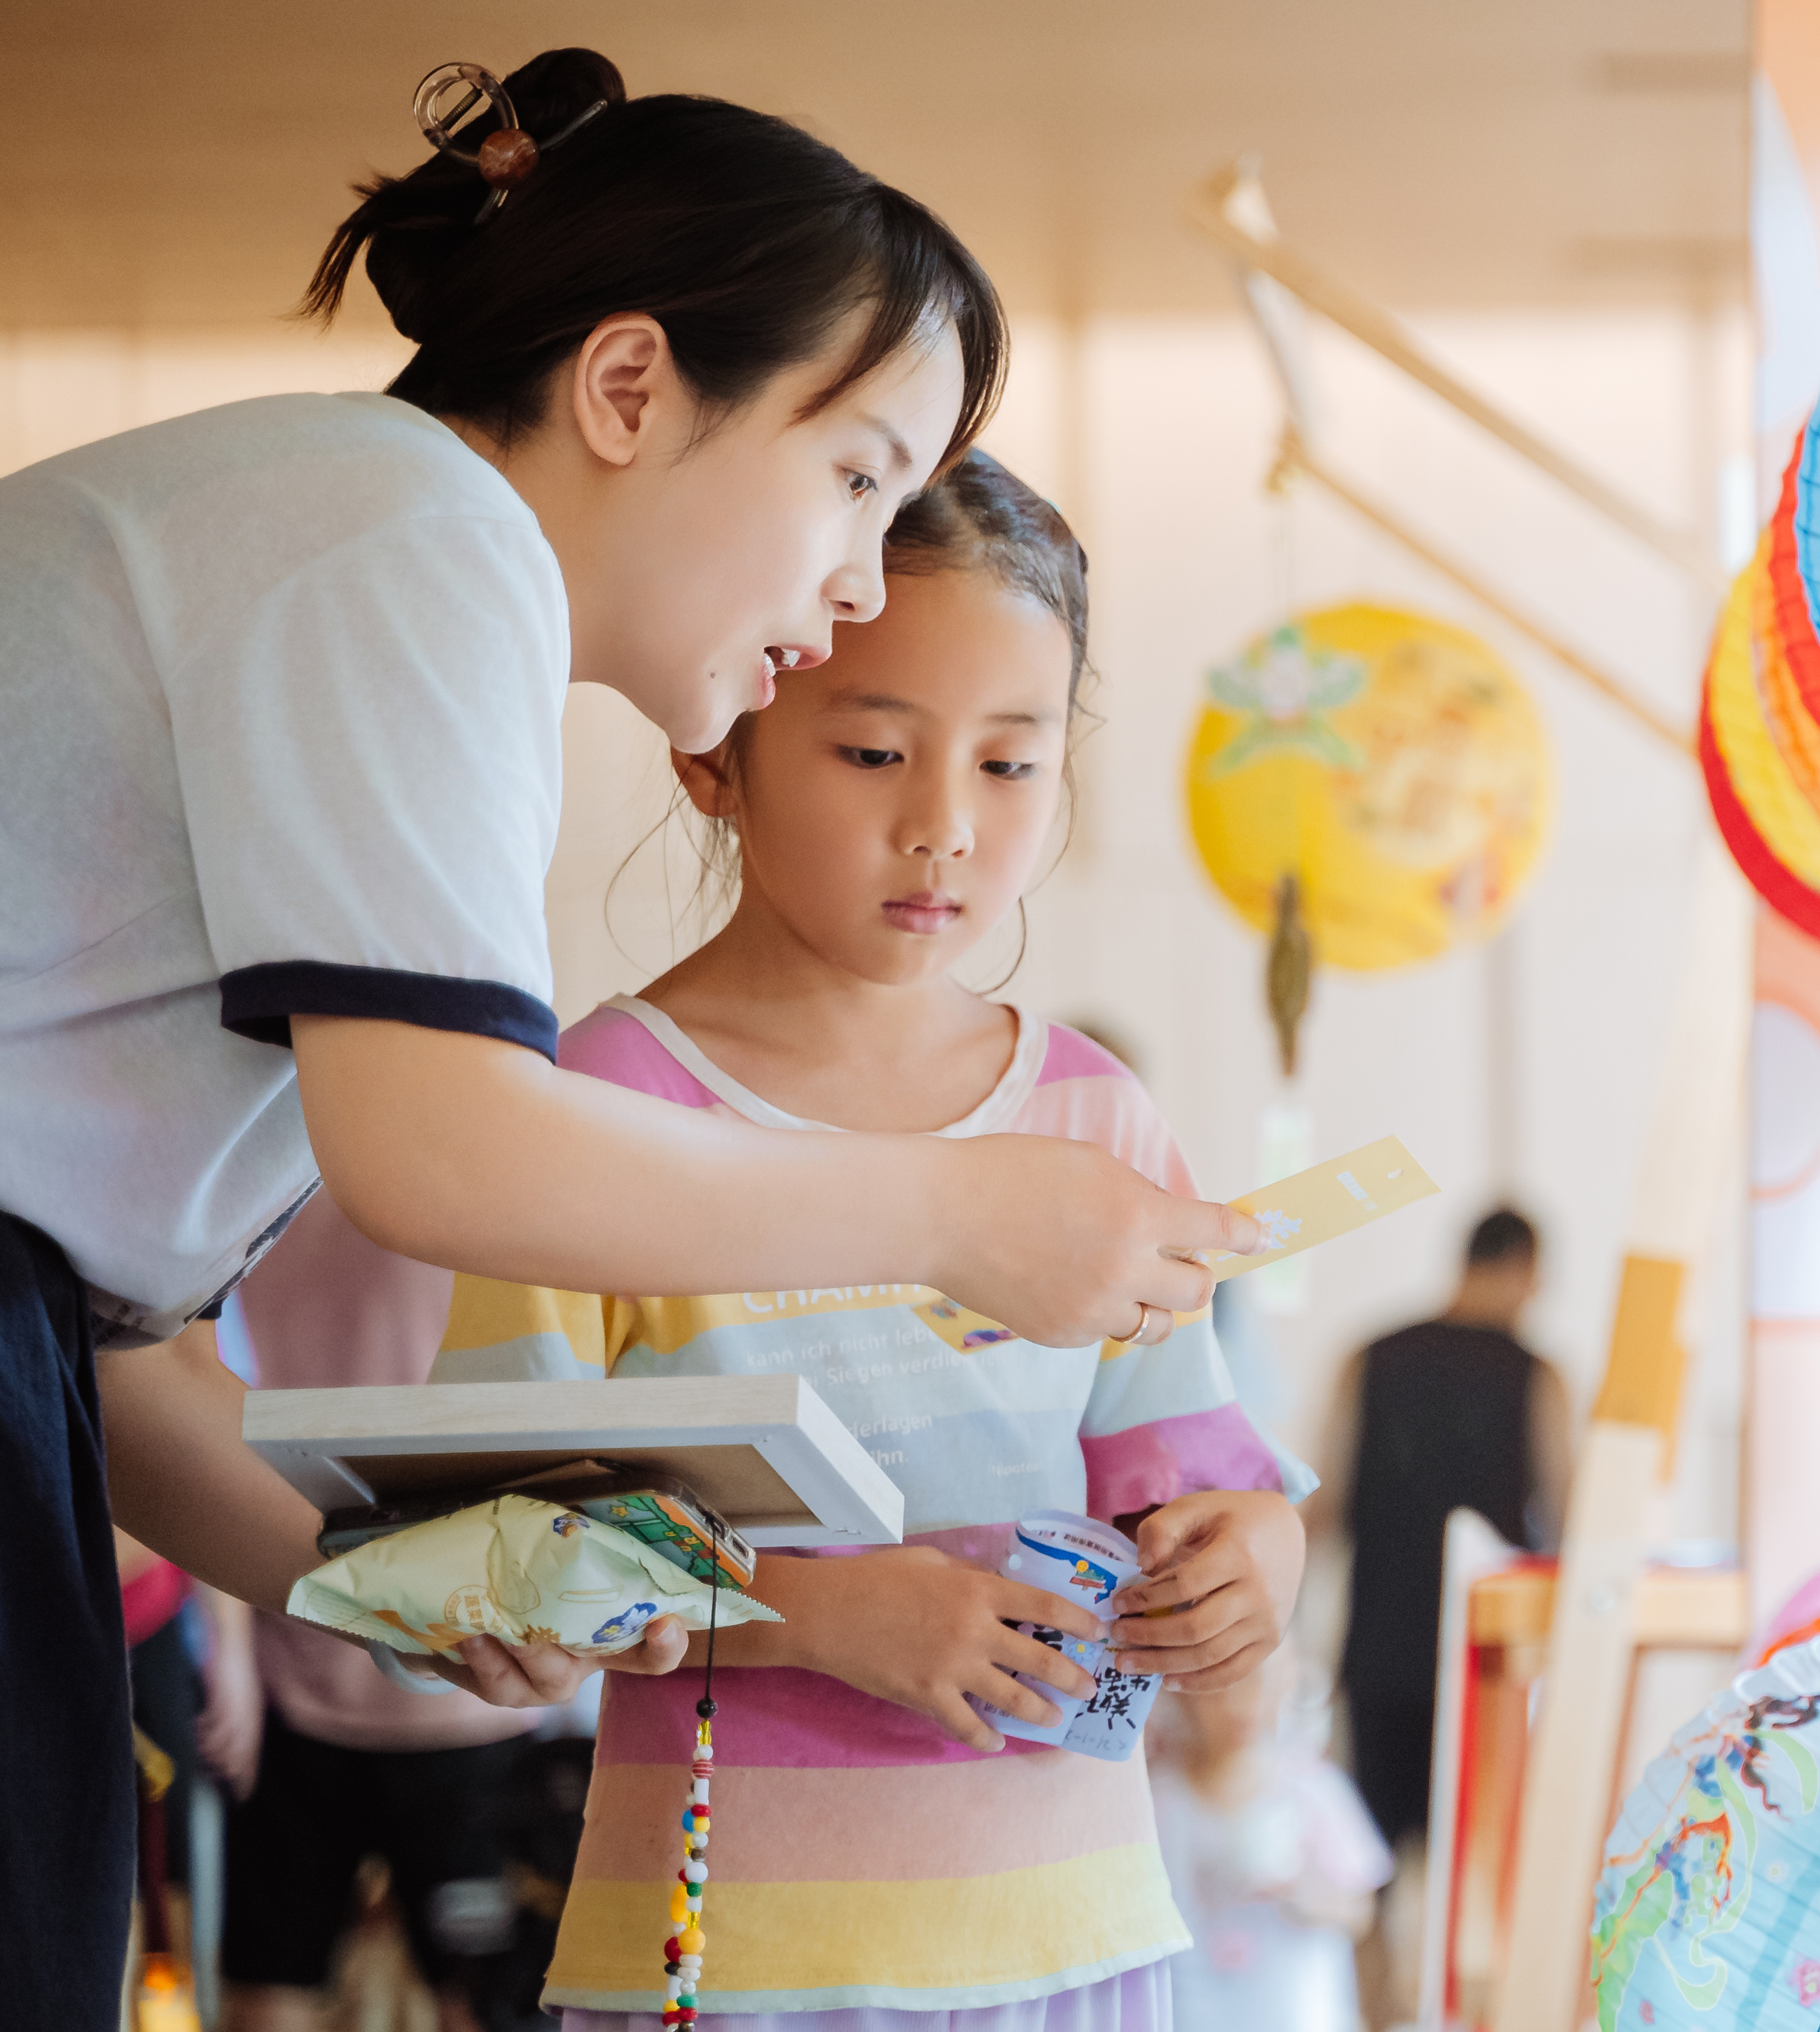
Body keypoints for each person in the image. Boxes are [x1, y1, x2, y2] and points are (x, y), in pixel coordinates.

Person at [0, 50, 1256, 2017]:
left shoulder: (354, 538)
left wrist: (410, 1588)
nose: (854, 580)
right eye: (856, 476)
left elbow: (115, 1344)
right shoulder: (415, 536)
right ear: (627, 389)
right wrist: (951, 1211)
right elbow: (445, 1153)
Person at [428, 452, 1310, 2024]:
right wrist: (818, 1614)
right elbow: (492, 1547)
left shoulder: (1094, 1114)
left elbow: (1191, 1478)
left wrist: (1254, 1559)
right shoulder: (592, 1110)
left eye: (1010, 763)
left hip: (1074, 1941)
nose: (943, 826)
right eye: (873, 750)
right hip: (723, 1962)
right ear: (716, 744)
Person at [216, 1198, 546, 2032]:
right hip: (395, 1666)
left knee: (288, 1985)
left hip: (425, 1671)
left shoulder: (253, 1193)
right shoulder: (469, 1188)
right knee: (465, 2000)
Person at [1324, 1210, 1574, 1845]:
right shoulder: (1536, 1374)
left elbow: (1323, 1505)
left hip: (1378, 1645)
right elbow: (1568, 1518)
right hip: (1483, 1652)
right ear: (1523, 1269)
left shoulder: (1369, 1356)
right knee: (1471, 1853)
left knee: (1371, 1850)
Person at [1147, 1659, 1390, 2032]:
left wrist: (1306, 1898)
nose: (1236, 1705)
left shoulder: (1314, 1790)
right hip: (1193, 2014)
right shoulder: (1160, 1800)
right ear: (1182, 1696)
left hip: (1299, 2015)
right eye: (1217, 1692)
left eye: (1252, 1686)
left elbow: (1361, 1909)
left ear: (1282, 1687)